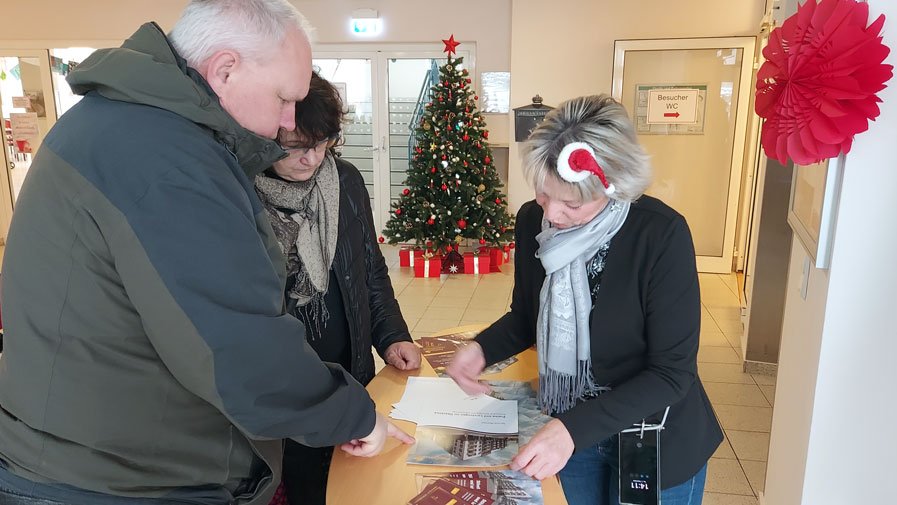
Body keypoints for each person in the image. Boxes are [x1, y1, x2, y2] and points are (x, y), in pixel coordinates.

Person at [0, 1, 412, 504]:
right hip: (121, 480)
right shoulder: (169, 159)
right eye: (285, 99)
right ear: (224, 70)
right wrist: (355, 416)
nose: (287, 122)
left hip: (98, 458)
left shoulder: (122, 123)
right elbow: (241, 351)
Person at [447, 95, 722, 505]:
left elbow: (671, 373)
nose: (554, 216)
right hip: (573, 427)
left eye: (572, 203)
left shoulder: (660, 235)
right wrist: (480, 349)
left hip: (653, 435)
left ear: (613, 184)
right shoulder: (530, 221)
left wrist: (571, 430)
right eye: (544, 195)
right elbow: (527, 316)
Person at [255, 72, 421, 505]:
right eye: (294, 147)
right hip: (288, 384)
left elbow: (369, 266)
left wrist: (392, 335)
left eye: (321, 142)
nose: (310, 158)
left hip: (353, 368)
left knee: (359, 480)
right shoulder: (242, 194)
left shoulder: (344, 179)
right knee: (305, 484)